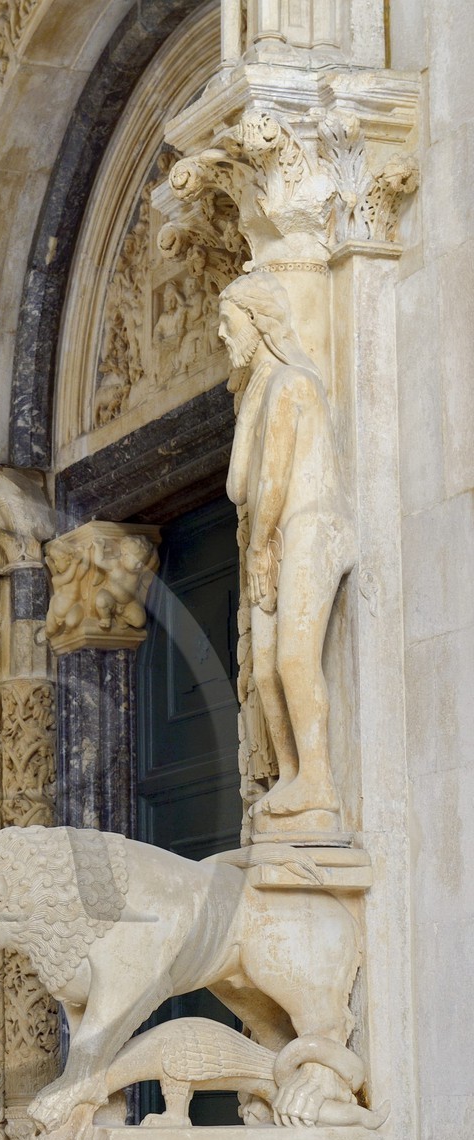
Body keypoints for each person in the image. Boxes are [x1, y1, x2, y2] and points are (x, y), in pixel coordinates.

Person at [219, 270, 356, 829]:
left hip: (306, 528)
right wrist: (247, 385)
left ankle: (318, 781)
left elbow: (272, 478)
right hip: (273, 534)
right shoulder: (264, 386)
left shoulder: (292, 384)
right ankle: (292, 778)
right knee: (264, 673)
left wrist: (257, 552)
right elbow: (237, 483)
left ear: (257, 320)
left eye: (229, 324)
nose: (223, 337)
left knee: (296, 659)